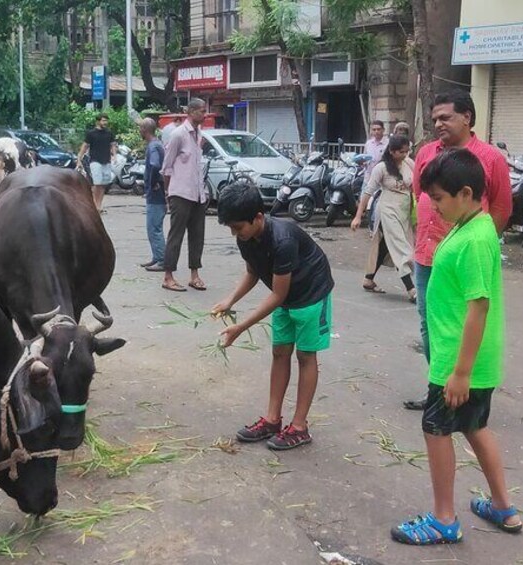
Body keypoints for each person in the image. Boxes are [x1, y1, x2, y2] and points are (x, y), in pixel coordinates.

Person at [391, 149, 522, 546]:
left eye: (440, 198)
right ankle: (503, 507)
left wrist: (460, 371)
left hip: (459, 360)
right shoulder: (469, 227)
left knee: (436, 429)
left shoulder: (477, 238)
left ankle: (444, 519)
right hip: (467, 359)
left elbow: (479, 306)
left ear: (466, 193)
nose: (434, 206)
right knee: (474, 426)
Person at [404, 90, 512, 411]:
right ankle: (439, 384)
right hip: (428, 255)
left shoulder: (491, 158)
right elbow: (418, 196)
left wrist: (474, 246)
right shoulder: (426, 153)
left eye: (445, 117)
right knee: (430, 323)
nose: (438, 123)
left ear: (467, 117)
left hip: (463, 260)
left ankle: (465, 384)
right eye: (435, 118)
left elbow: (502, 210)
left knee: (466, 319)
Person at [212, 182, 334, 450]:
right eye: (231, 228)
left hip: (311, 294)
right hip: (286, 298)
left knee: (305, 356)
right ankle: (272, 419)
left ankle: (300, 426)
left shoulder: (283, 240)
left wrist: (240, 326)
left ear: (258, 217)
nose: (235, 233)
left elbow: (277, 296)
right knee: (280, 352)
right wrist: (230, 300)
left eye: (238, 227)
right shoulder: (245, 237)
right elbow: (253, 272)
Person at [351, 135, 416, 302]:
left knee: (386, 245)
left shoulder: (409, 164)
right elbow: (368, 192)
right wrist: (358, 216)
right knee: (402, 248)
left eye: (407, 151)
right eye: (401, 152)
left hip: (404, 211)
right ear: (392, 152)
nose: (405, 154)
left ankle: (368, 278)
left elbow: (417, 185)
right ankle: (412, 289)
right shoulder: (381, 168)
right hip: (388, 210)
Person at [161, 98, 208, 292]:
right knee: (176, 236)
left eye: (205, 111)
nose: (204, 115)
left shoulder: (199, 135)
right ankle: (168, 276)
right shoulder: (178, 134)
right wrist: (168, 192)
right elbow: (167, 167)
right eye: (201, 111)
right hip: (180, 193)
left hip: (198, 194)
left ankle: (194, 275)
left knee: (197, 236)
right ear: (191, 112)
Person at [139, 118, 167, 272]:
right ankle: (157, 257)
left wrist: (153, 182)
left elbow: (155, 165)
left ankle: (162, 260)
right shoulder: (157, 144)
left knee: (154, 228)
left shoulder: (153, 147)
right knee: (153, 228)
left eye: (140, 128)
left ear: (144, 129)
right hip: (157, 193)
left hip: (156, 195)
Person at [76, 113, 116, 212]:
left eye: (106, 120)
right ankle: (93, 205)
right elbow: (85, 146)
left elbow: (113, 145)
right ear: (98, 121)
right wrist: (79, 158)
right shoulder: (91, 133)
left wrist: (114, 156)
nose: (105, 122)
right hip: (95, 161)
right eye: (103, 120)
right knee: (96, 184)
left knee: (103, 184)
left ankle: (99, 205)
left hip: (106, 161)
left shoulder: (109, 133)